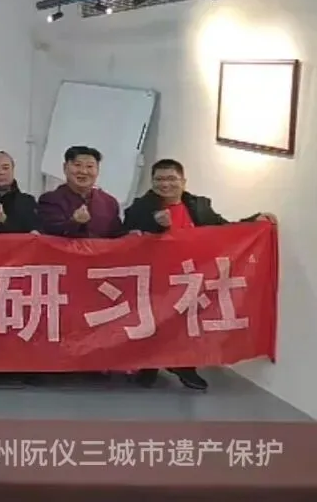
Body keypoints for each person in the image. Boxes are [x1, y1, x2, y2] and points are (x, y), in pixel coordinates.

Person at [122, 158, 277, 392]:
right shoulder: (140, 208)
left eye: (171, 179)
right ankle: (149, 364)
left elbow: (222, 230)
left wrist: (253, 221)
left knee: (187, 322)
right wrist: (156, 225)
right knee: (154, 321)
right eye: (159, 179)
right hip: (156, 277)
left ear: (183, 181)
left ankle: (183, 365)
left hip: (191, 275)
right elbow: (126, 237)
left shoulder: (199, 205)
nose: (165, 184)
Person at [37, 146, 124, 238]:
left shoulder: (109, 202)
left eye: (90, 166)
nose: (83, 171)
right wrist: (74, 222)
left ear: (97, 170)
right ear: (65, 167)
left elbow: (117, 237)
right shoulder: (50, 200)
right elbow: (49, 233)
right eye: (77, 165)